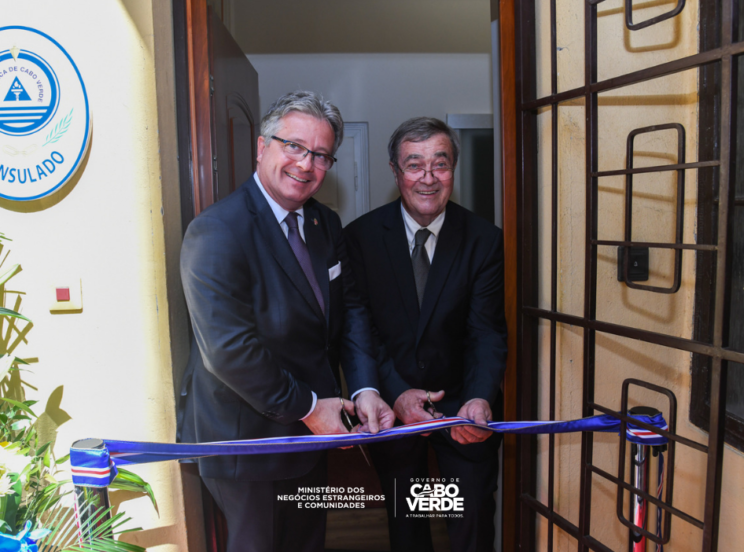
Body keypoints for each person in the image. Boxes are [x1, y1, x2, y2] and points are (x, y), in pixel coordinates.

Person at [180, 90, 394, 552]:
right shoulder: (217, 231)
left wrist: (365, 389)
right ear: (262, 147)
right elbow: (229, 352)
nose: (306, 164)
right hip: (248, 445)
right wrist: (310, 407)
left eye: (321, 155)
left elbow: (351, 312)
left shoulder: (325, 224)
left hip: (311, 439)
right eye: (294, 146)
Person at [344, 117, 508, 552]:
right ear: (396, 172)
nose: (428, 177)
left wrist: (481, 396)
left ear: (454, 168)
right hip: (392, 405)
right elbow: (361, 329)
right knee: (408, 522)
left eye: (440, 163)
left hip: (463, 407)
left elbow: (487, 331)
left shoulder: (483, 240)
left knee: (471, 518)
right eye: (414, 165)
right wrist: (397, 393)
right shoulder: (360, 238)